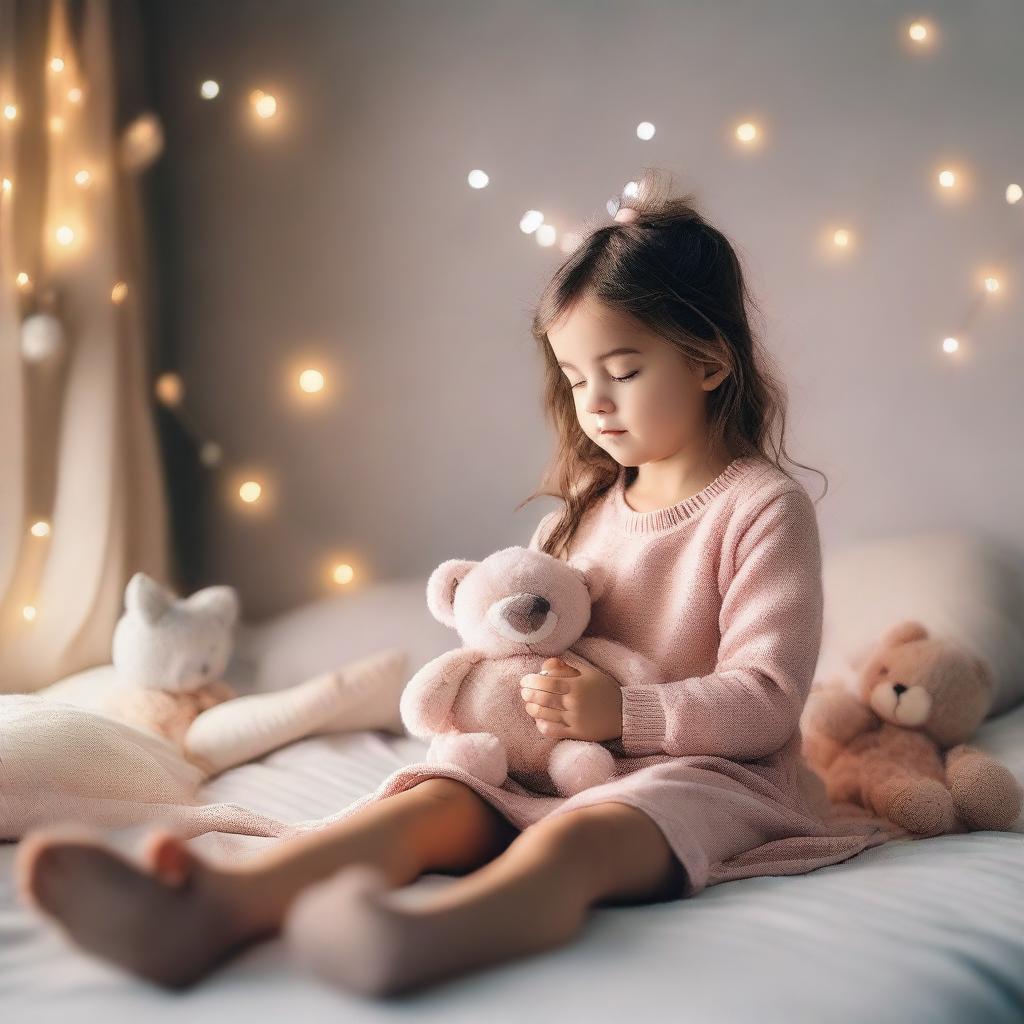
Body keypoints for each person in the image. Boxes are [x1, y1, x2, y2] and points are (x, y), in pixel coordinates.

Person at [14, 168, 894, 998]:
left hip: (708, 778)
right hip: (555, 765)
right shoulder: (580, 510)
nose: (595, 403)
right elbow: (519, 641)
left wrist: (621, 718)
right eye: (578, 378)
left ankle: (427, 940)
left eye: (622, 371)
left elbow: (770, 699)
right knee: (432, 799)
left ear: (709, 362)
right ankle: (212, 909)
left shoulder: (761, 509)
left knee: (587, 840)